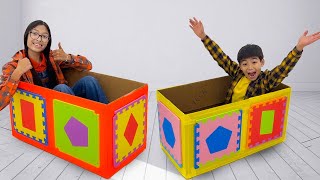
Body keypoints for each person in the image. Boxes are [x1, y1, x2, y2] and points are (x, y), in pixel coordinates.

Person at [189, 17, 320, 103]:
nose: (250, 67)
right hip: (230, 113)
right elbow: (220, 56)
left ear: (262, 63)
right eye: (245, 64)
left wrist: (299, 48)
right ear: (240, 66)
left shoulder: (265, 81)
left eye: (254, 62)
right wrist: (203, 37)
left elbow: (283, 68)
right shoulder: (237, 72)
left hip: (249, 118)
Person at [0, 20, 108, 111]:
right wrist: (17, 73)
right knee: (62, 88)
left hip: (63, 105)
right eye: (34, 33)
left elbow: (88, 66)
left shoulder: (53, 57)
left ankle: (106, 119)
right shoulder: (14, 66)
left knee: (89, 80)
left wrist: (68, 57)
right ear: (26, 36)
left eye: (44, 36)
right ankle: (79, 125)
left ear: (48, 41)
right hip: (41, 112)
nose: (39, 39)